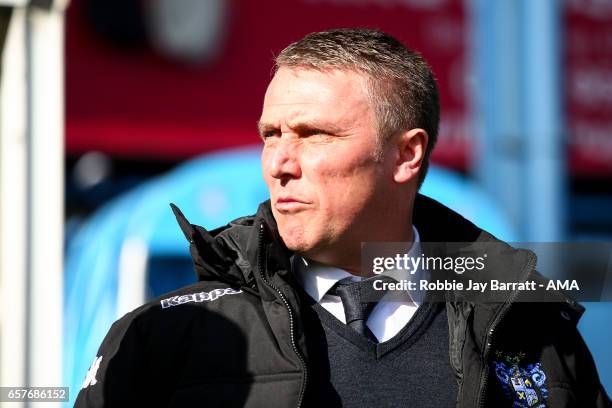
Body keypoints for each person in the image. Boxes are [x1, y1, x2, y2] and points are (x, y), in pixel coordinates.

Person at [75, 28, 610, 407]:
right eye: (271, 135)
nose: (280, 164)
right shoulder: (165, 335)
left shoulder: (530, 327)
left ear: (407, 155)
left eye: (314, 135)